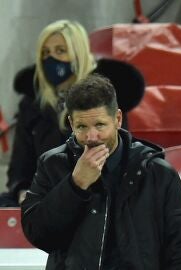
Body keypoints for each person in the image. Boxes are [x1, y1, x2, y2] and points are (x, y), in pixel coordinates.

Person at [21, 74, 181, 269]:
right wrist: (76, 185)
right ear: (72, 124)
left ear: (117, 119)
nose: (91, 137)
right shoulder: (53, 165)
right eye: (82, 126)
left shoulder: (156, 172)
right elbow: (39, 234)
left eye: (99, 125)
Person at [0, 20, 145, 207]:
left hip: (94, 196)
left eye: (60, 51)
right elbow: (20, 165)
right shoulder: (32, 104)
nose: (50, 59)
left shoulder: (103, 98)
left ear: (78, 54)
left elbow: (114, 161)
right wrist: (22, 190)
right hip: (42, 196)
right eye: (45, 53)